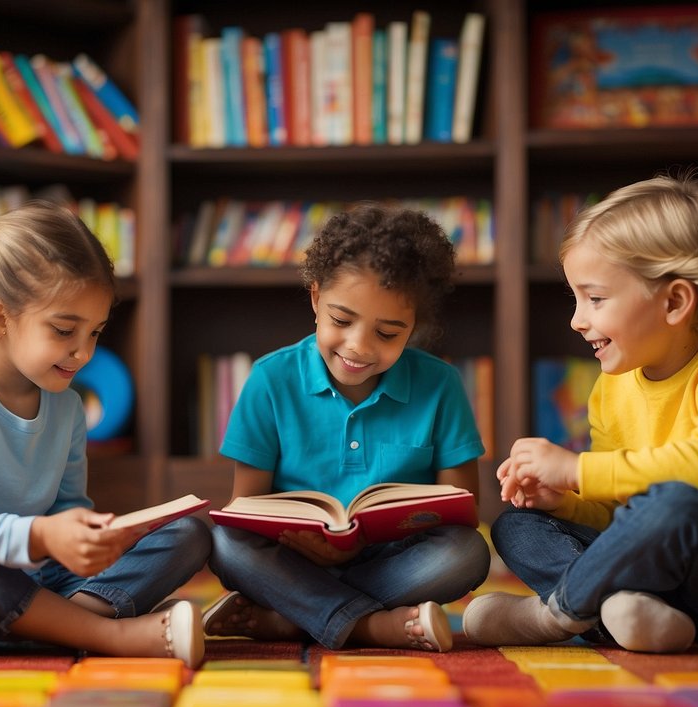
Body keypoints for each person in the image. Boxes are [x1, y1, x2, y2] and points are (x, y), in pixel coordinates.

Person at [464, 172, 698, 653]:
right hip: (673, 582)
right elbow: (622, 516)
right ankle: (631, 616)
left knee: (674, 503)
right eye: (576, 299)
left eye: (595, 299)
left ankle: (556, 614)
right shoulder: (611, 387)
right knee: (517, 525)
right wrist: (566, 502)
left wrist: (577, 468)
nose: (577, 320)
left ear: (675, 302)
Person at [0, 201, 209, 667]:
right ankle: (110, 636)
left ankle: (64, 626)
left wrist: (97, 537)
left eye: (96, 333)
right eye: (65, 330)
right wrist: (45, 535)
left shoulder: (66, 405)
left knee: (188, 534)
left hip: (41, 581)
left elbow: (67, 507)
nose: (83, 353)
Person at [205, 203, 491, 652]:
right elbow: (247, 507)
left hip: (391, 561)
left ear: (413, 325)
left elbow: (460, 509)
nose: (358, 347)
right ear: (316, 297)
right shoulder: (270, 378)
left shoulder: (441, 385)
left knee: (466, 554)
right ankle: (368, 627)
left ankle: (297, 619)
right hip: (295, 561)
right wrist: (301, 541)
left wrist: (363, 542)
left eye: (389, 333)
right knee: (224, 543)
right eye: (342, 320)